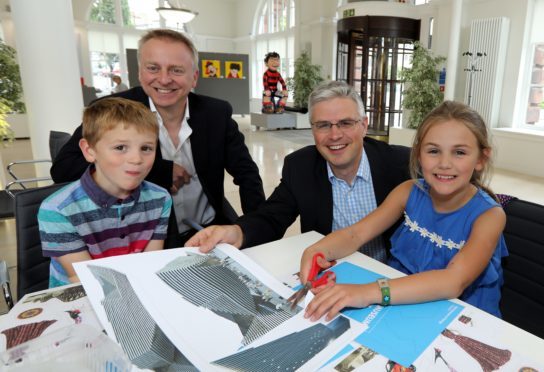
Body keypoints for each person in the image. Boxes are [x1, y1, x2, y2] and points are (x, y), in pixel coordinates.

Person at [50, 29, 265, 247]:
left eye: (176, 70)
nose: (164, 79)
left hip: (209, 230)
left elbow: (247, 174)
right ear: (140, 73)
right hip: (146, 241)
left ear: (194, 78)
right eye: (153, 68)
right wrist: (159, 170)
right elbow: (63, 168)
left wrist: (255, 230)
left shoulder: (216, 112)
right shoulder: (113, 109)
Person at [299, 100, 508, 320]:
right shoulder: (409, 190)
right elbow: (356, 234)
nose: (445, 163)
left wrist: (366, 292)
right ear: (418, 154)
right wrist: (316, 250)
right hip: (402, 304)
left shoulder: (490, 216)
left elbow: (453, 281)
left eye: (459, 152)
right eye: (434, 151)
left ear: (481, 159)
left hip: (461, 318)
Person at [187, 81, 411, 263]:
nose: (334, 135)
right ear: (312, 129)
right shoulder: (300, 166)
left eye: (345, 123)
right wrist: (238, 231)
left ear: (364, 125)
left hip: (390, 276)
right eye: (323, 125)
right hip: (330, 277)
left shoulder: (400, 164)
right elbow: (272, 217)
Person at [39, 97, 172, 287]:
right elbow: (83, 279)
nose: (136, 159)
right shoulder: (57, 210)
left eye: (146, 148)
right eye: (120, 147)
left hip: (136, 288)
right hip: (82, 296)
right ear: (89, 150)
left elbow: (150, 264)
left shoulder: (161, 198)